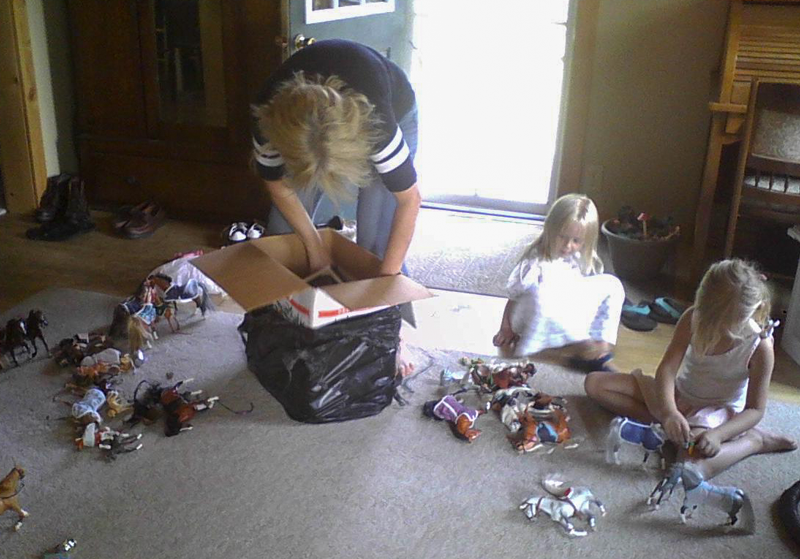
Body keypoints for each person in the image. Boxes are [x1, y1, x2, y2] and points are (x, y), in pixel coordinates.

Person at [251, 39, 421, 375]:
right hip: (304, 125)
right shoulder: (267, 121)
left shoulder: (381, 130)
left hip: (389, 111)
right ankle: (284, 327)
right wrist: (313, 247)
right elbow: (278, 188)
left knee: (376, 244)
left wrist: (383, 288)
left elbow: (409, 200)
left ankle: (392, 339)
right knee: (283, 237)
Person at [584, 259, 796, 512]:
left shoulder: (760, 346)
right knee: (595, 383)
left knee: (690, 467)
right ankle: (670, 426)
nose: (720, 329)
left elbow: (755, 410)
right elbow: (667, 370)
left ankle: (754, 442)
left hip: (717, 414)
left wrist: (718, 435)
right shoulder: (692, 318)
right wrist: (669, 411)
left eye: (730, 324)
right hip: (680, 395)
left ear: (752, 311)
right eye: (712, 319)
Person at [492, 193, 624, 371]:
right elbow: (514, 298)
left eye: (576, 241)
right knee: (541, 298)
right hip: (535, 313)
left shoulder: (577, 256)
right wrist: (505, 328)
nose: (568, 245)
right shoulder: (534, 262)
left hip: (564, 307)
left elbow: (578, 287)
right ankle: (567, 348)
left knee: (613, 285)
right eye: (562, 237)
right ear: (550, 229)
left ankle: (600, 344)